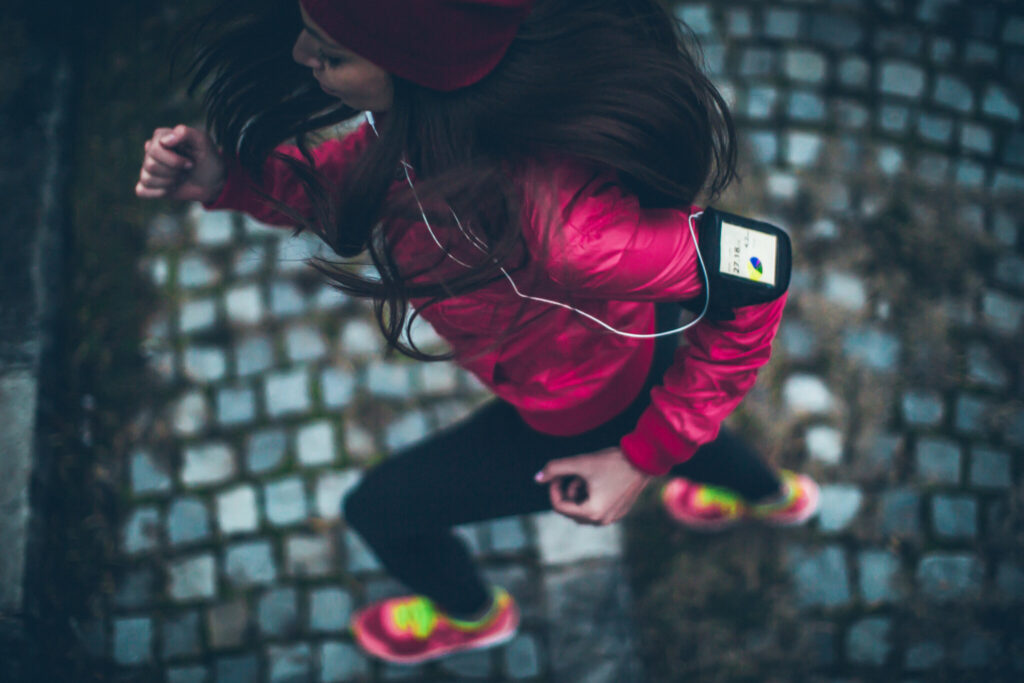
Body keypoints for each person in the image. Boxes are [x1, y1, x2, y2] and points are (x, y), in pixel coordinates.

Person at [136, 0, 820, 665]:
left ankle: (471, 615)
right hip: (629, 337)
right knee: (660, 401)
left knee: (379, 511)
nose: (299, 55)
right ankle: (777, 497)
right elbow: (350, 182)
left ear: (412, 63)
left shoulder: (570, 234)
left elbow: (759, 273)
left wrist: (639, 459)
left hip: (576, 404)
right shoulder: (413, 120)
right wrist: (226, 178)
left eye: (331, 52)